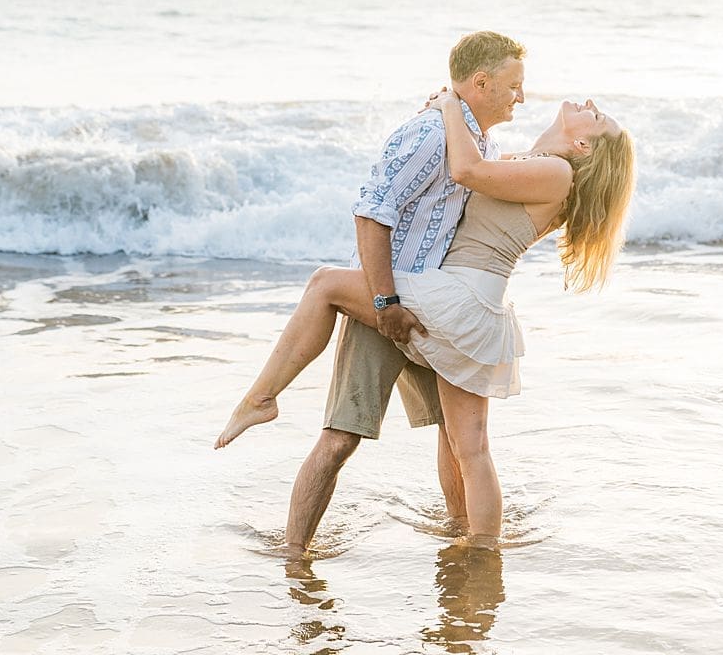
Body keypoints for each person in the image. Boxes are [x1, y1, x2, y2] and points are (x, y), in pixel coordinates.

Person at [217, 83, 636, 548]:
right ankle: (479, 551)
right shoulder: (533, 164)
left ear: (582, 146)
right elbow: (466, 165)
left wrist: (450, 106)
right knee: (468, 447)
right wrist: (452, 116)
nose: (592, 106)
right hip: (472, 306)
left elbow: (465, 169)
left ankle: (263, 396)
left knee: (324, 284)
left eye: (598, 119)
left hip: (457, 297)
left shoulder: (557, 172)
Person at [216, 31, 527, 557]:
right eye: (515, 85)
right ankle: (294, 552)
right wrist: (384, 303)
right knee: (342, 438)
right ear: (481, 82)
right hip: (388, 304)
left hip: (437, 308)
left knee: (455, 436)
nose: (521, 96)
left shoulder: (477, 143)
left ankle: (461, 541)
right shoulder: (431, 133)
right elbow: (371, 211)